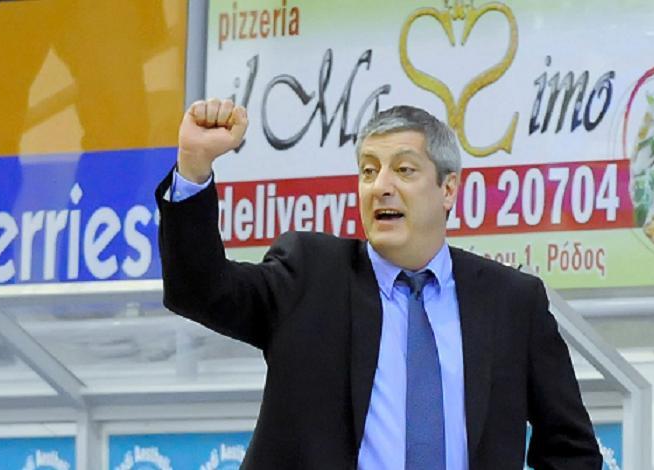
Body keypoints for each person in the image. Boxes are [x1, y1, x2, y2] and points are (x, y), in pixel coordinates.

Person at [155, 98, 602, 469]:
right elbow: (200, 290)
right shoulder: (310, 276)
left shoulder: (512, 302)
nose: (380, 187)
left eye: (404, 170)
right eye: (368, 171)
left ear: (448, 190)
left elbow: (571, 448)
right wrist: (193, 166)